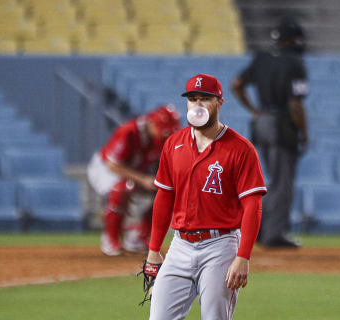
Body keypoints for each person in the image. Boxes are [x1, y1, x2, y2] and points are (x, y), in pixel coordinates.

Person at [141, 73, 267, 319]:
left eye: (205, 99)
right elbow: (164, 198)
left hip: (220, 246)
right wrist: (154, 249)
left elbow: (253, 205)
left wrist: (243, 256)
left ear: (219, 102)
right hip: (180, 245)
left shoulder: (241, 149)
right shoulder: (174, 143)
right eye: (192, 99)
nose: (197, 105)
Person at [231, 17, 309, 248]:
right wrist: (303, 131)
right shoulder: (295, 62)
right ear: (292, 40)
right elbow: (295, 104)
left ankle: (262, 230)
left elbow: (236, 84)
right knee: (282, 181)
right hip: (281, 123)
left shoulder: (262, 58)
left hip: (262, 121)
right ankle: (273, 234)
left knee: (270, 179)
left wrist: (254, 110)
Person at [87, 105, 181, 256]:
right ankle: (110, 239)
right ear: (151, 123)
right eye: (163, 129)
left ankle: (137, 238)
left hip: (134, 172)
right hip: (104, 168)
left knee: (165, 192)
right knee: (122, 188)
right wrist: (142, 179)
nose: (166, 134)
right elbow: (113, 164)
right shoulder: (129, 131)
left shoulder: (161, 141)